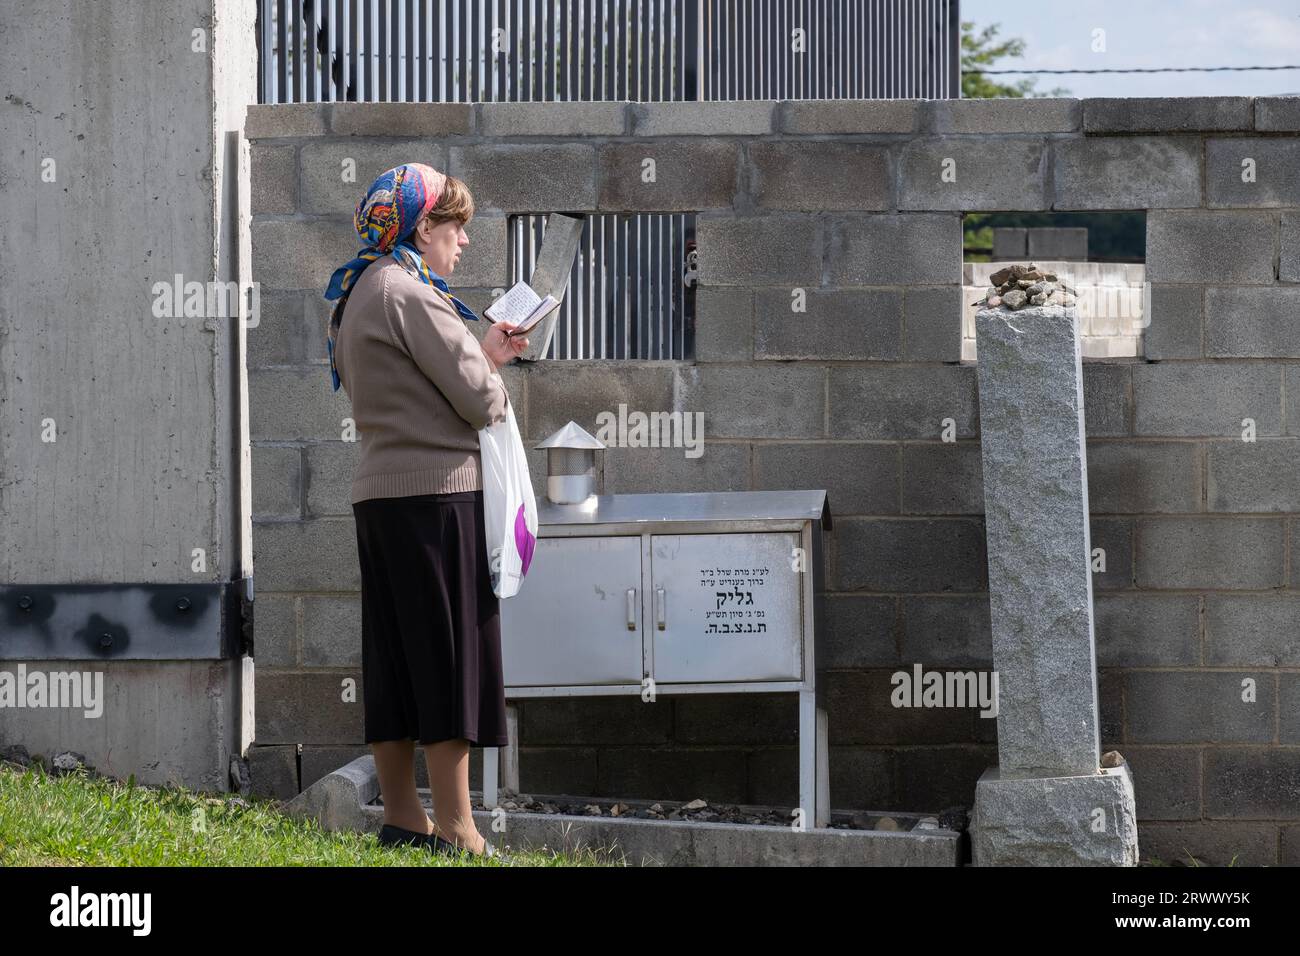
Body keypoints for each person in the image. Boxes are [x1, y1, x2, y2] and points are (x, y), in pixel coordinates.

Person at [323, 163, 529, 862]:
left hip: (379, 494)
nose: (463, 242)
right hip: (436, 495)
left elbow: (423, 383)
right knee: (447, 657)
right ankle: (461, 827)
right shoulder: (409, 291)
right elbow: (478, 400)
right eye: (455, 226)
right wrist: (493, 377)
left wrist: (484, 353)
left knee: (395, 654)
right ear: (422, 227)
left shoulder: (359, 292)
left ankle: (405, 818)